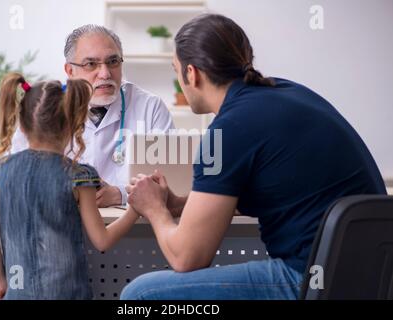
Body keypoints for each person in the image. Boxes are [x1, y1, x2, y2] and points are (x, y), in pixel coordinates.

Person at [121, 14, 387, 300]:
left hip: (312, 279)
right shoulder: (286, 92)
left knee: (141, 294)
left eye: (176, 71)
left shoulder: (227, 129)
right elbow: (270, 190)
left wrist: (154, 210)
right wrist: (177, 205)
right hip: (373, 274)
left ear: (191, 73)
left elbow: (188, 258)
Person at [0, 72, 139, 300]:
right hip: (68, 293)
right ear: (71, 125)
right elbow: (102, 240)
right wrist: (135, 209)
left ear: (22, 126)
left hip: (18, 290)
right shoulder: (79, 176)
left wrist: (1, 282)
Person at [11, 25, 174, 207]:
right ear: (70, 71)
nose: (105, 73)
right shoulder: (44, 106)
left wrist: (120, 194)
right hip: (60, 224)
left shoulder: (150, 107)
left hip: (134, 230)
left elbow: (167, 183)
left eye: (113, 62)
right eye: (91, 64)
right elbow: (18, 174)